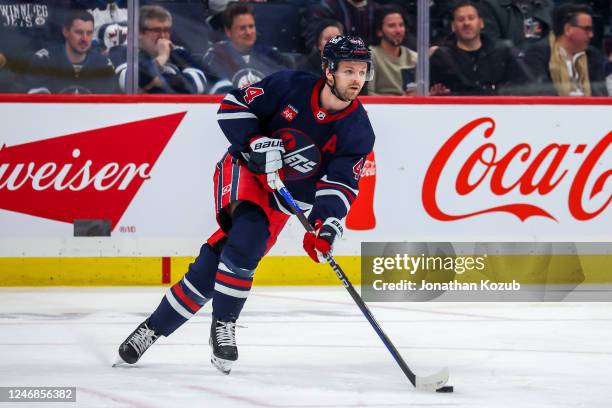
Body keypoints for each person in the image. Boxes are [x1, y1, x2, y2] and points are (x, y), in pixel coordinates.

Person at [114, 35, 376, 375]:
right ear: (328, 71)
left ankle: (151, 328)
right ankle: (223, 326)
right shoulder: (290, 86)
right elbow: (232, 106)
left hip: (282, 199)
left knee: (224, 262)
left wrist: (326, 227)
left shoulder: (359, 130)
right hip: (243, 171)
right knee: (249, 233)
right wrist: (255, 141)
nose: (356, 80)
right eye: (348, 71)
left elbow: (339, 185)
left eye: (362, 72)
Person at [429, 0, 531, 95]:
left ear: (481, 23)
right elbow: (427, 94)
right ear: (453, 26)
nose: (466, 23)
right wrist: (436, 96)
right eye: (461, 19)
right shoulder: (442, 57)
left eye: (471, 18)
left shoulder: (502, 51)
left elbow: (524, 86)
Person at [109, 5, 208, 94]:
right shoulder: (122, 52)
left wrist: (157, 82)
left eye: (167, 30)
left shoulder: (177, 52)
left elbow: (199, 82)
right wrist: (162, 57)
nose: (163, 36)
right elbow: (130, 81)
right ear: (139, 32)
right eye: (157, 30)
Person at [202, 2, 293, 94]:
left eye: (251, 26)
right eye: (242, 28)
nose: (248, 32)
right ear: (228, 31)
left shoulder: (272, 56)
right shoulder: (216, 55)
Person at [523, 2, 607, 96]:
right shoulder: (538, 54)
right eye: (586, 29)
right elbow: (540, 94)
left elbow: (601, 95)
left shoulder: (592, 55)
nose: (591, 35)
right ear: (568, 29)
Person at [26, 9, 117, 94]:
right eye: (79, 32)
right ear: (65, 32)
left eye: (89, 33)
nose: (84, 39)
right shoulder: (44, 60)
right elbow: (36, 105)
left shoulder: (103, 64)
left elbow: (111, 106)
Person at [367, 5, 418, 96]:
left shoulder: (414, 57)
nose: (398, 30)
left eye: (401, 25)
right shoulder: (370, 55)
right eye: (392, 26)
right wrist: (400, 101)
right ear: (379, 32)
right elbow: (368, 95)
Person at [479, 0, 554, 50]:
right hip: (509, 68)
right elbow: (491, 46)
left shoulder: (546, 4)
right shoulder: (489, 5)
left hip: (542, 67)